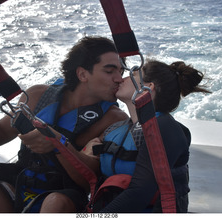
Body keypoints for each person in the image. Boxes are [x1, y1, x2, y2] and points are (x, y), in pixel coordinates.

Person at [0, 36, 128, 213]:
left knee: (54, 203)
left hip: (64, 197)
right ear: (83, 74)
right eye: (110, 71)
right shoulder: (37, 96)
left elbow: (89, 180)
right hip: (19, 184)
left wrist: (59, 145)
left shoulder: (114, 119)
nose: (119, 78)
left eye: (121, 72)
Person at [82, 59, 211, 212]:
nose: (121, 79)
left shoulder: (164, 128)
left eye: (133, 75)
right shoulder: (115, 130)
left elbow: (140, 192)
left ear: (147, 88)